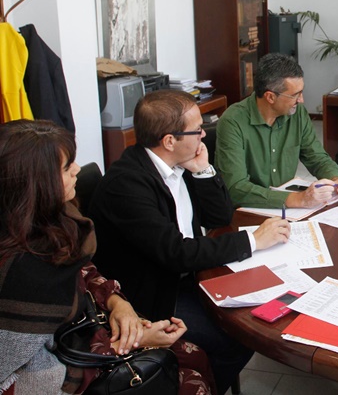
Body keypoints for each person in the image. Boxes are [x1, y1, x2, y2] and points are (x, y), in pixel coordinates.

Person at [89, 90, 290, 394]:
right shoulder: (127, 185)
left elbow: (220, 216)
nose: (204, 135)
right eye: (197, 130)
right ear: (169, 141)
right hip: (153, 294)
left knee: (262, 309)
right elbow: (177, 253)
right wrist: (253, 240)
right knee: (237, 339)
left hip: (187, 275)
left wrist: (204, 172)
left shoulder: (178, 164)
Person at [0, 120, 214, 395]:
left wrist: (117, 303)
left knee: (194, 357)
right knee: (187, 373)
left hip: (87, 330)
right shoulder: (20, 274)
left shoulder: (50, 220)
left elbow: (82, 271)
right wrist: (129, 343)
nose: (77, 169)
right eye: (66, 167)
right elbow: (29, 375)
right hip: (69, 373)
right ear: (35, 184)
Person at [216, 53, 338, 208]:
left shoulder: (297, 113)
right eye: (295, 95)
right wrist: (298, 199)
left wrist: (336, 179)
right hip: (248, 208)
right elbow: (236, 188)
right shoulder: (233, 121)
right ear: (270, 97)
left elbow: (317, 158)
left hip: (286, 208)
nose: (301, 100)